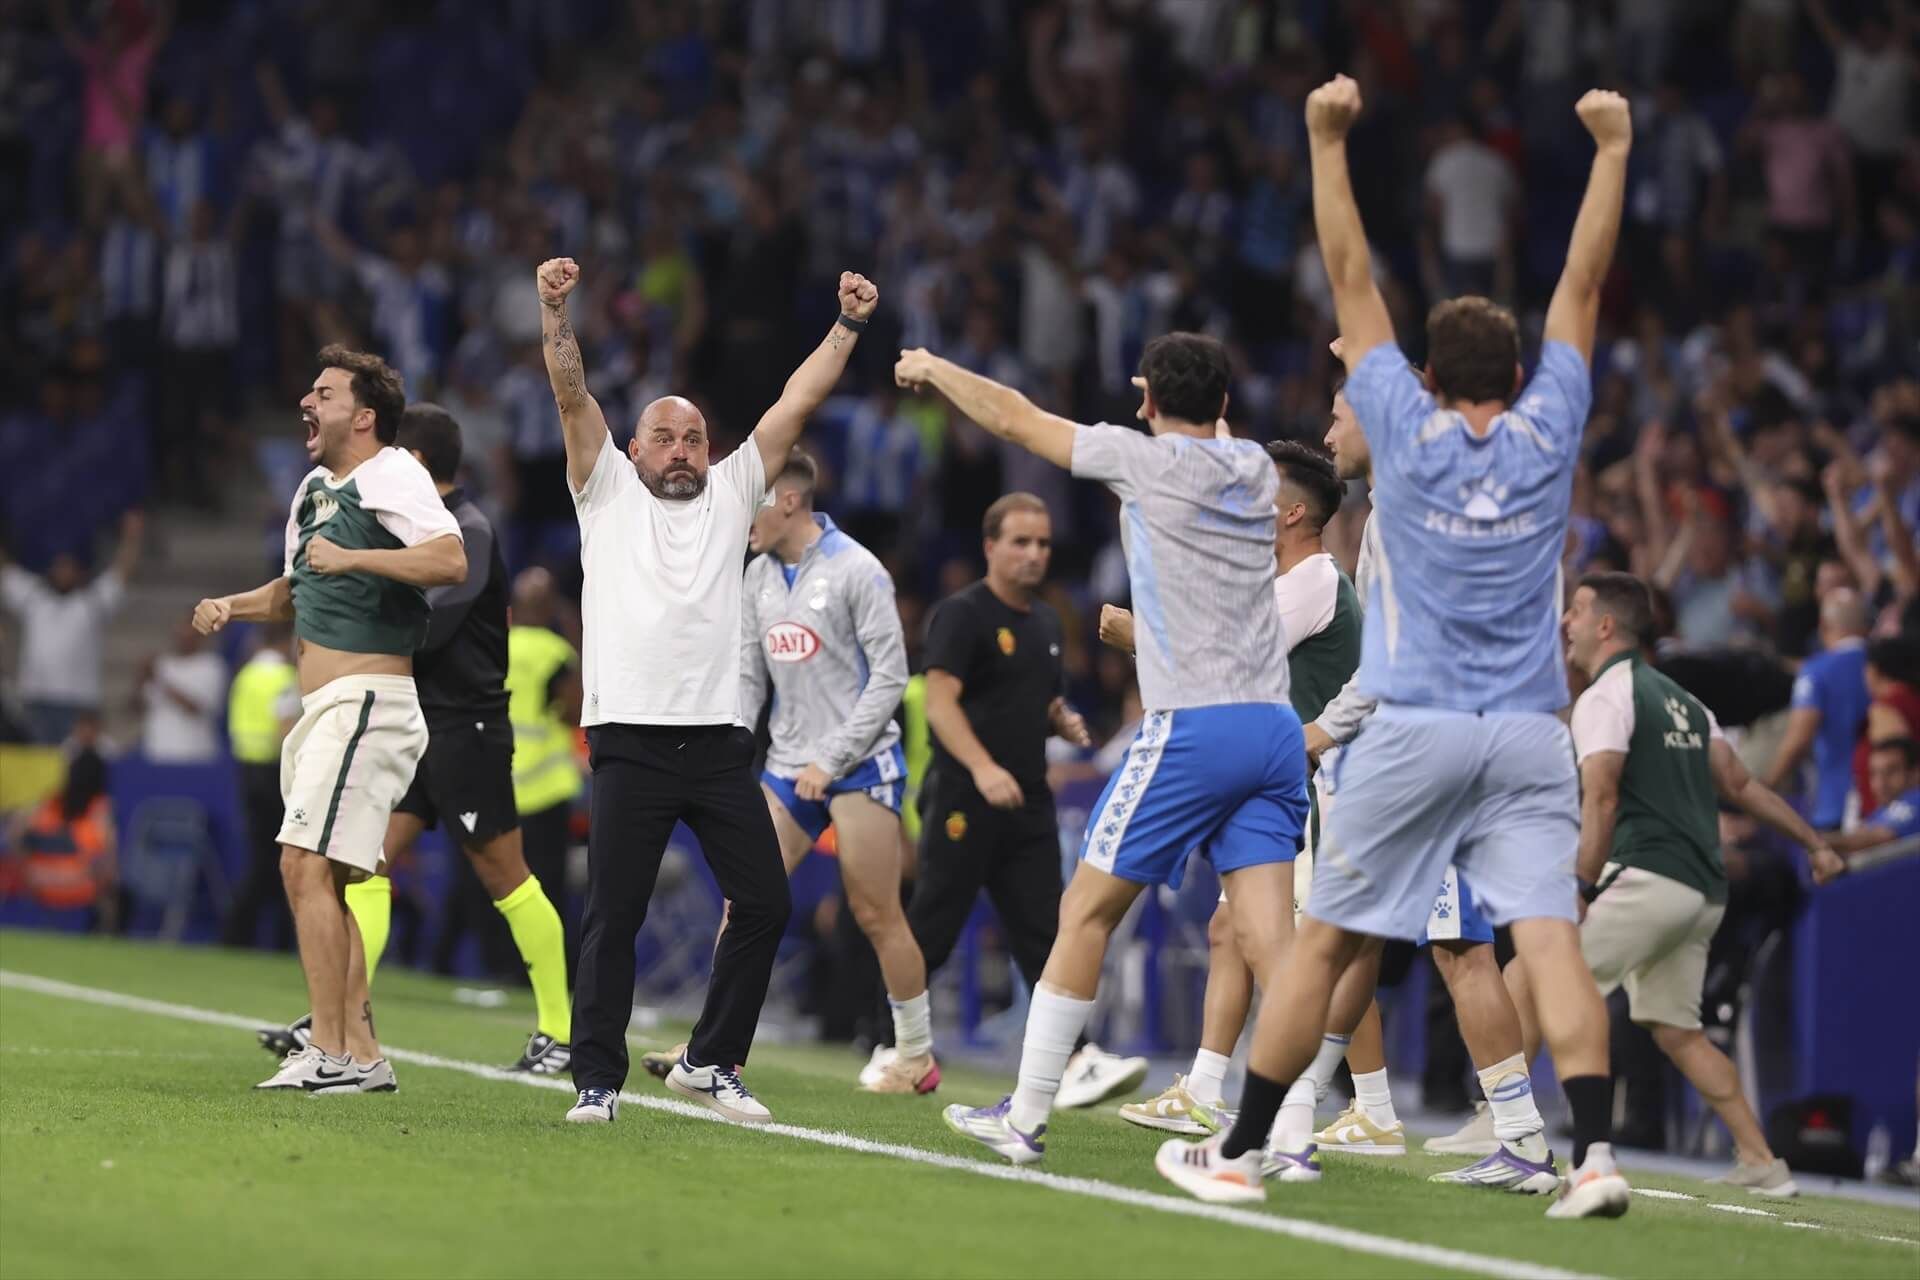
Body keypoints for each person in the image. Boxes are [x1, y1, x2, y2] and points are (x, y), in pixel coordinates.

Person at [1153, 79, 1634, 1220]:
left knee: (1322, 941)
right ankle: (1597, 1154)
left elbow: (1352, 273)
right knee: (1548, 941)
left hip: (1415, 727)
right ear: (1519, 383)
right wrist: (1610, 150)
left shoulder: (1405, 436)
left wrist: (1326, 139)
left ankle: (1244, 1148)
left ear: (1423, 379)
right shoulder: (1550, 427)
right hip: (1528, 731)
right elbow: (1581, 278)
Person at [897, 329, 1308, 1167]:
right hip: (1274, 728)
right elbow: (1212, 425)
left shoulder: (1142, 457)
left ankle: (1025, 1119)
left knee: (1083, 911)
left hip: (1193, 723)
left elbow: (1015, 418)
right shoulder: (1258, 469)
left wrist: (937, 366)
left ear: (1146, 400)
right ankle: (1291, 1136)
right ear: (1226, 405)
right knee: (1275, 942)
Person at [540, 256, 877, 1126]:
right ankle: (596, 1082)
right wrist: (554, 312)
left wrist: (846, 326)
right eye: (665, 438)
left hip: (721, 745)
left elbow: (796, 404)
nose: (682, 452)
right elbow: (573, 397)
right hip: (628, 743)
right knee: (612, 920)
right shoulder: (604, 490)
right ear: (633, 450)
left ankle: (709, 1060)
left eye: (693, 439)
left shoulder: (734, 492)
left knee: (765, 904)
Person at [253, 403, 575, 1074]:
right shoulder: (407, 528)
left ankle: (561, 1030)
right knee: (360, 865)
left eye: (392, 457)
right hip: (408, 721)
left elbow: (426, 627)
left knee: (507, 878)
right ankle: (337, 1016)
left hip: (465, 727)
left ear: (417, 463)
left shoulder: (468, 535)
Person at [1504, 572, 1845, 1199]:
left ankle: (1507, 1140)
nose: (1566, 624)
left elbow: (1602, 798)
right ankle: (1763, 1161)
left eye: (1577, 611)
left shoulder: (1606, 696)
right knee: (1676, 1031)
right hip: (1700, 893)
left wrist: (1579, 884)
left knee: (1533, 975)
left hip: (1649, 877)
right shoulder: (1685, 702)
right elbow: (1741, 787)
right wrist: (1815, 843)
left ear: (1607, 625)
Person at [193, 345, 466, 1094]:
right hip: (325, 709)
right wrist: (233, 605)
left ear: (364, 415)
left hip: (369, 700)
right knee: (329, 880)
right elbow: (295, 587)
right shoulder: (315, 487)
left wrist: (359, 561)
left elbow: (448, 559)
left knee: (300, 865)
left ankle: (330, 1053)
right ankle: (364, 1057)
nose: (307, 402)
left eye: (324, 392)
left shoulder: (393, 472)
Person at [1108, 436, 1361, 1145]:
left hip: (1320, 789)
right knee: (1232, 931)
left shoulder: (1312, 580)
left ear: (1290, 515)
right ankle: (1206, 1088)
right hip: (1281, 782)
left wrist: (1137, 638)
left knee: (1300, 952)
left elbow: (1225, 660)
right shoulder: (1285, 581)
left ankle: (1299, 1113)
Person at [737, 450, 937, 1094]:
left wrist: (835, 757)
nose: (744, 516)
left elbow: (891, 677)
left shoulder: (859, 570)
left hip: (860, 764)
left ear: (790, 501)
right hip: (788, 764)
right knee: (745, 901)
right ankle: (715, 1046)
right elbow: (747, 675)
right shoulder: (757, 578)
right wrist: (732, 745)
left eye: (755, 502)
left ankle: (915, 1056)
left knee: (876, 912)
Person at [0, 511, 144, 745]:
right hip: (37, 699)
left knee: (74, 767)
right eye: (59, 565)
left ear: (79, 571)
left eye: (69, 566)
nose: (63, 571)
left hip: (78, 703)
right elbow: (5, 572)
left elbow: (121, 575)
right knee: (40, 768)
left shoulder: (91, 602)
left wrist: (132, 538)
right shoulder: (33, 596)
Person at [504, 568, 585, 978]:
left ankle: (497, 967)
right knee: (547, 889)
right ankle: (548, 971)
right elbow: (574, 711)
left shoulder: (496, 645)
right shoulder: (557, 652)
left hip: (502, 781)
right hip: (547, 787)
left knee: (502, 886)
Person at [221, 623, 300, 950]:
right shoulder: (284, 679)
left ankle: (246, 933)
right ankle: (268, 935)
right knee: (282, 856)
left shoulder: (244, 676)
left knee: (262, 856)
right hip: (274, 772)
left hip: (245, 769)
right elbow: (285, 729)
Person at [1764, 590, 1871, 828]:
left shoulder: (1816, 672)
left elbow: (1798, 740)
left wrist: (1764, 788)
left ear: (1824, 626)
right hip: (1883, 798)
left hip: (1835, 803)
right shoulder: (1884, 665)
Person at [136, 621, 227, 763]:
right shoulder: (161, 664)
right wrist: (141, 677)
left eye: (189, 636)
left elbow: (195, 708)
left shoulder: (211, 666)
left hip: (195, 754)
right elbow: (135, 707)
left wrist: (159, 679)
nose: (183, 639)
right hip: (158, 752)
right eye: (179, 635)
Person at [1827, 738, 1920, 856]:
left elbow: (1877, 839)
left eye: (1891, 771)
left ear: (1915, 773)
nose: (1880, 783)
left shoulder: (1915, 800)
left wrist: (1812, 840)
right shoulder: (1880, 813)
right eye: (1874, 773)